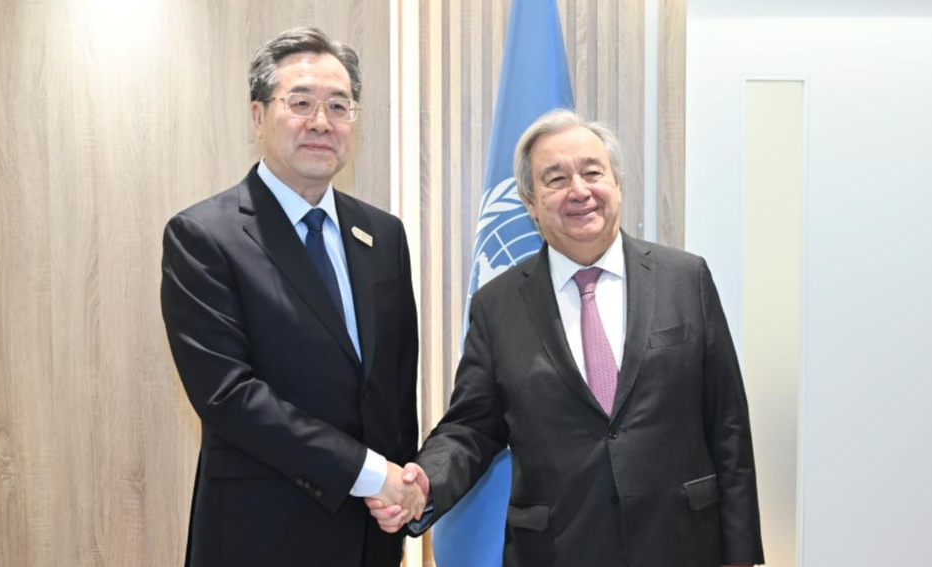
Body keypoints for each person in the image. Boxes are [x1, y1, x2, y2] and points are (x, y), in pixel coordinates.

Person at [369, 109, 764, 567]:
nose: (579, 190)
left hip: (682, 543)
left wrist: (741, 554)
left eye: (593, 172)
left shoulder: (685, 278)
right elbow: (472, 427)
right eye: (555, 179)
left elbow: (728, 424)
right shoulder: (498, 305)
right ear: (531, 202)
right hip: (557, 550)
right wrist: (426, 482)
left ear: (616, 184)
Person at [161, 27, 422, 567]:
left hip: (370, 535)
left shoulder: (384, 235)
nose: (321, 122)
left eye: (339, 105)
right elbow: (230, 396)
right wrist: (373, 473)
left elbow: (394, 388)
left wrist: (402, 493)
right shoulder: (203, 236)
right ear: (258, 116)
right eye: (300, 102)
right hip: (261, 535)